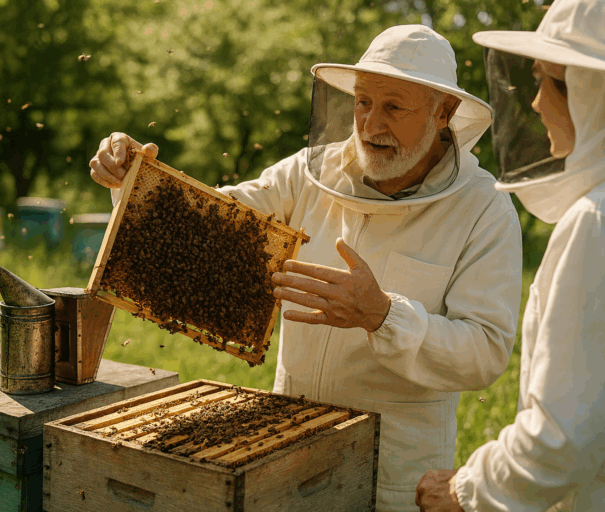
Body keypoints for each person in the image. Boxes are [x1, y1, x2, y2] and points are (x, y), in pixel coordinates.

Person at [90, 25, 522, 511]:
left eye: (394, 107)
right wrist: (133, 182)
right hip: (287, 450)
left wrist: (382, 314)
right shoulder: (308, 173)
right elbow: (211, 223)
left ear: (443, 112)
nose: (371, 124)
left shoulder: (483, 209)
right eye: (362, 102)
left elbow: (485, 351)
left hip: (396, 478)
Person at [415, 0, 605, 510]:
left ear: (602, 94)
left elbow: (560, 443)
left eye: (549, 82)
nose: (535, 104)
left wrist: (464, 489)